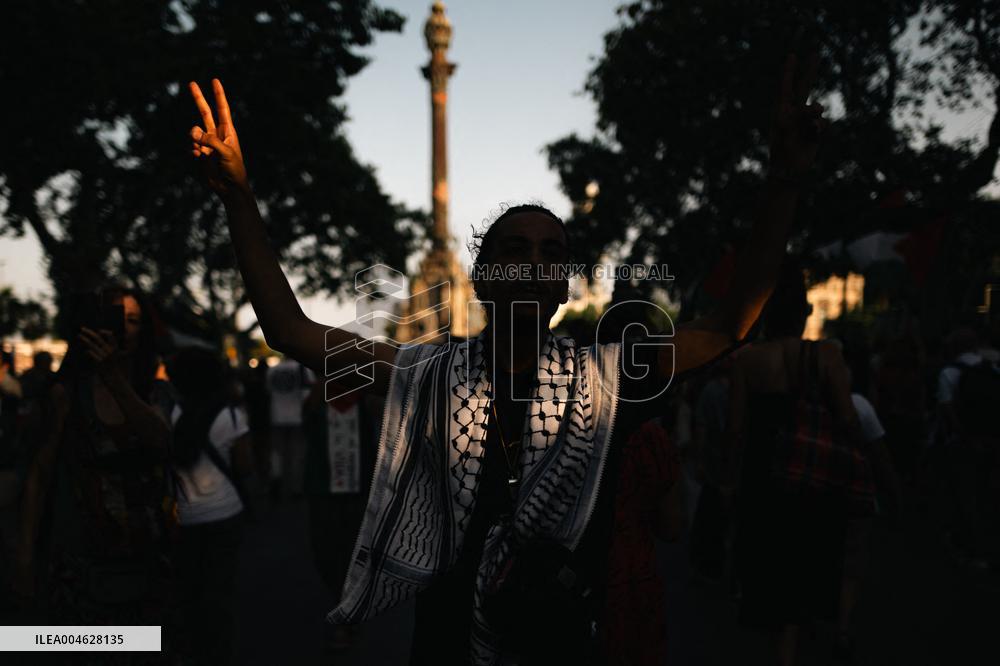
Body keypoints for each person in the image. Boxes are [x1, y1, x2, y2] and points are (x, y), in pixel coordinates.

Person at [185, 46, 823, 663]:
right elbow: (291, 331)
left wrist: (785, 183)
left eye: (552, 253)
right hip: (448, 642)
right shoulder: (429, 374)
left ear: (563, 286)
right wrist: (238, 195)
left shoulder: (605, 377)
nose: (535, 262)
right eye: (515, 249)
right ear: (482, 280)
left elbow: (729, 326)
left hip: (561, 639)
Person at [728, 263, 870, 666]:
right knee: (802, 588)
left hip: (761, 483)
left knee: (772, 588)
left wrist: (728, 485)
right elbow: (848, 419)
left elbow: (735, 431)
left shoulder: (746, 361)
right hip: (813, 482)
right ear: (804, 312)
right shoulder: (825, 356)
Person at [15, 285, 173, 631]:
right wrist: (25, 555)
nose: (123, 328)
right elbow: (40, 474)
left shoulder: (155, 389)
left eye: (133, 320)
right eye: (114, 317)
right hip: (81, 552)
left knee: (145, 645)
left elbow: (162, 443)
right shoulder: (68, 393)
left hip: (147, 550)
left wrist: (114, 377)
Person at [167, 346, 253, 665]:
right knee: (220, 590)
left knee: (189, 588)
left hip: (185, 515)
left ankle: (191, 648)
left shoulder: (172, 414)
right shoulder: (230, 416)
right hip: (225, 512)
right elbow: (244, 466)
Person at [301, 382, 381, 652]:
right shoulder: (317, 399)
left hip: (357, 491)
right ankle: (345, 604)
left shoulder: (366, 399)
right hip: (323, 491)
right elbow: (307, 425)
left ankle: (346, 615)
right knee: (324, 553)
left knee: (350, 554)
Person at [266, 356, 313, 501]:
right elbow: (309, 393)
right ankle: (296, 488)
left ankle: (276, 477)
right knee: (296, 453)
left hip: (276, 417)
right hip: (297, 417)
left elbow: (268, 390)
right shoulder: (302, 369)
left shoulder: (272, 370)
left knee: (277, 452)